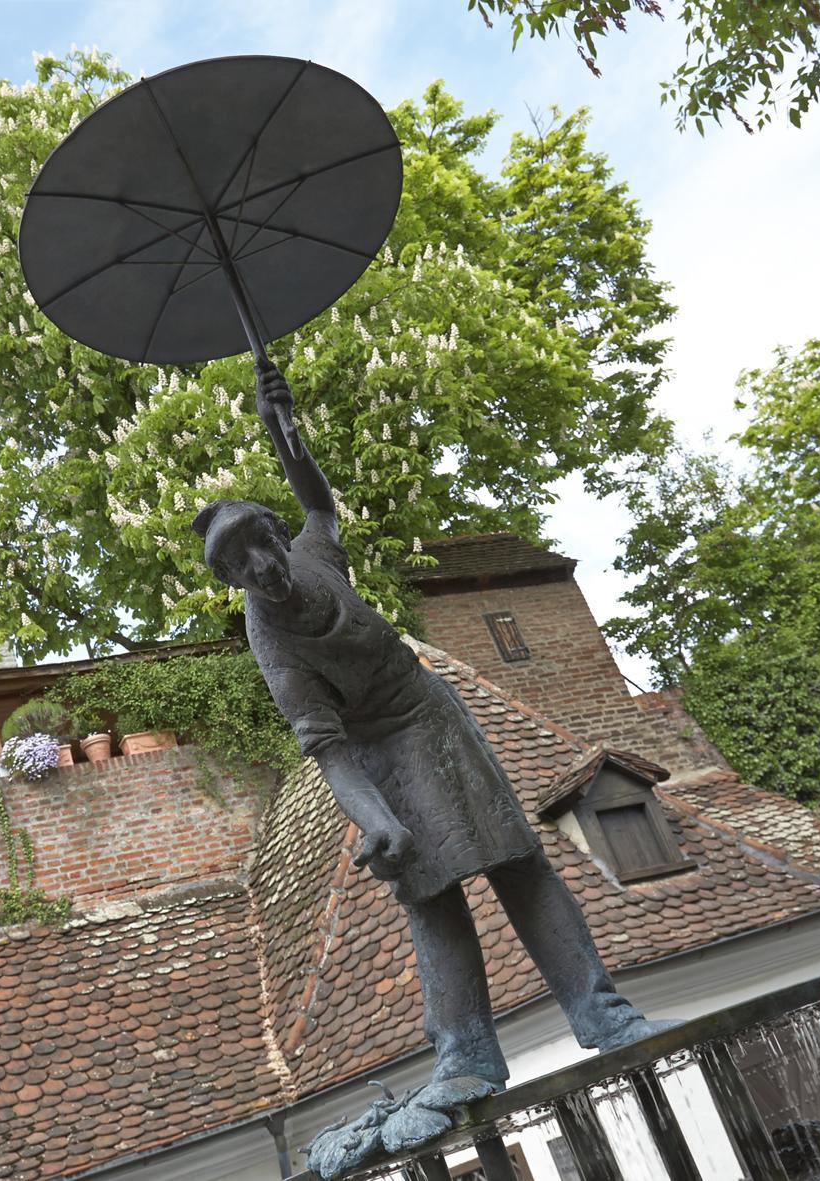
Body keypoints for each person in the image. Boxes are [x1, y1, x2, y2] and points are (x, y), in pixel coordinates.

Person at [192, 364, 674, 1092]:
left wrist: (282, 432)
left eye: (259, 545)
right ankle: (466, 1055)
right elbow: (325, 745)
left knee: (517, 856)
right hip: (376, 746)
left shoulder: (314, 553)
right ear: (233, 579)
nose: (260, 568)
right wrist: (375, 820)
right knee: (429, 888)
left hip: (428, 709)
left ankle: (602, 1013)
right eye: (239, 565)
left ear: (273, 535)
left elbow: (317, 502)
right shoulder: (272, 642)